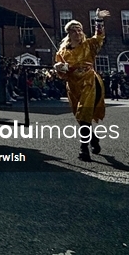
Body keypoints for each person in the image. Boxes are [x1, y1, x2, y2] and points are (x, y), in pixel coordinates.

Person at [53, 10, 111, 162]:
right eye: (74, 30)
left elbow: (99, 37)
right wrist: (59, 68)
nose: (78, 33)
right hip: (73, 86)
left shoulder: (89, 45)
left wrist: (98, 20)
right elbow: (62, 75)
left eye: (80, 30)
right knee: (80, 117)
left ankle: (83, 148)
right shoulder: (62, 52)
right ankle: (93, 138)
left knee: (84, 112)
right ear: (69, 34)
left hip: (89, 81)